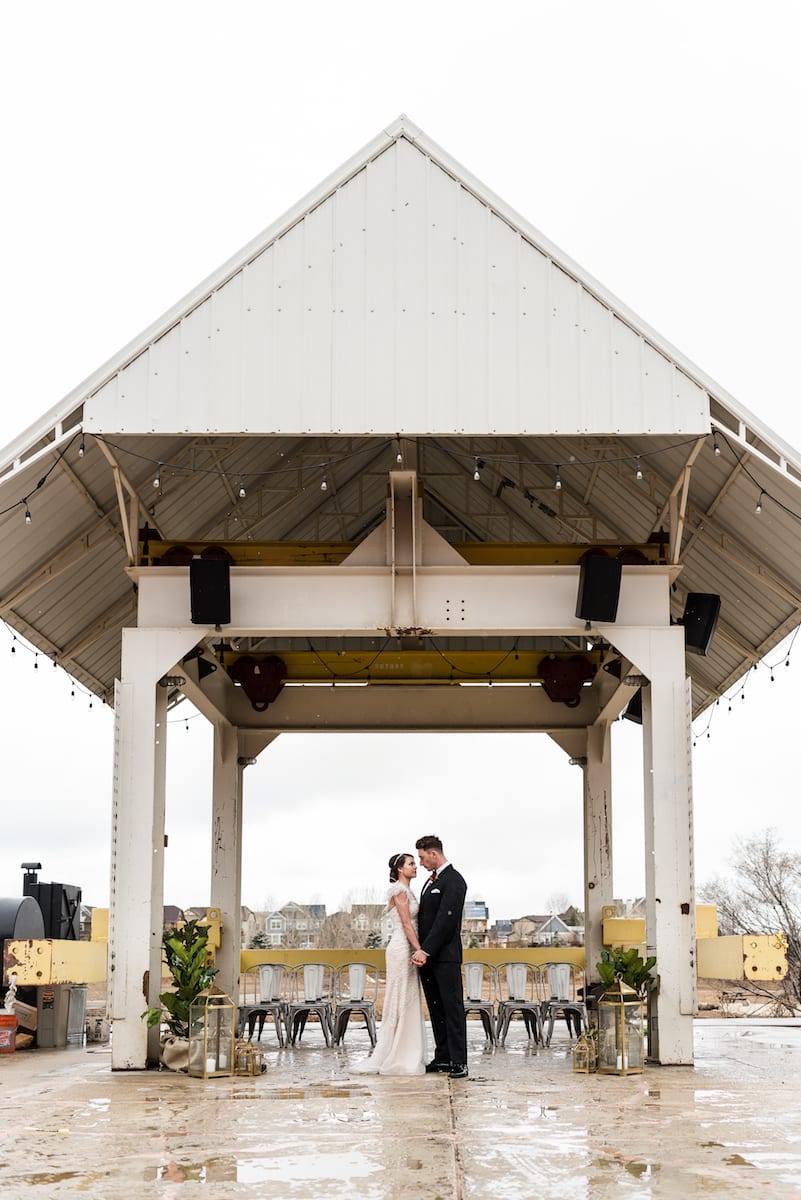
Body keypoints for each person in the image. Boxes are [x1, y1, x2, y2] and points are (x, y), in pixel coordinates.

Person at [352, 852, 427, 1075]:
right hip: (402, 948)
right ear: (399, 869)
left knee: (410, 995)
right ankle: (398, 1054)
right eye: (411, 864)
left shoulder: (409, 891)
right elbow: (405, 922)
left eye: (415, 863)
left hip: (408, 946)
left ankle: (409, 1049)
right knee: (401, 995)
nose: (416, 867)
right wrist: (419, 948)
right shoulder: (398, 891)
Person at [412, 834, 469, 1079]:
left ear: (434, 854)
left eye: (423, 858)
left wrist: (426, 949)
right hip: (429, 959)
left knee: (452, 1008)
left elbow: (445, 921)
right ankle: (444, 1056)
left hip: (444, 957)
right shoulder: (430, 881)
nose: (421, 863)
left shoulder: (454, 881)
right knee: (436, 1008)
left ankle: (459, 1061)